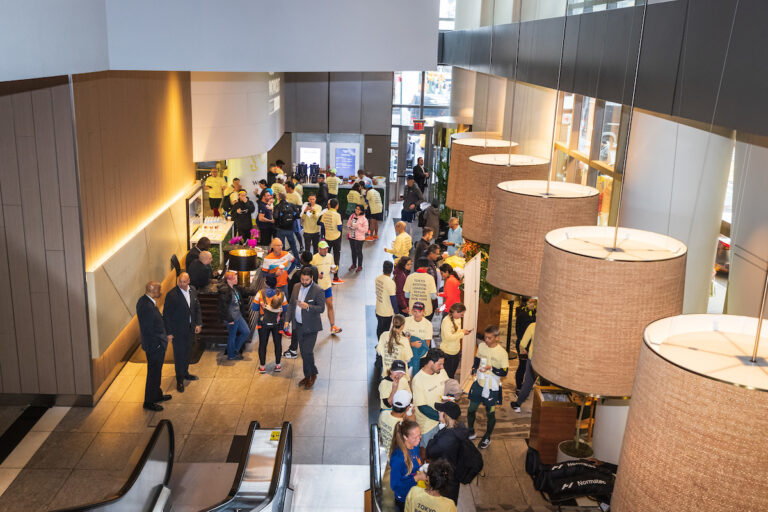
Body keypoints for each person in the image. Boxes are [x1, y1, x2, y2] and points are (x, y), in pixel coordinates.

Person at [467, 325, 509, 449]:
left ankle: (487, 437)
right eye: (485, 337)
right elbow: (477, 358)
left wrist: (492, 368)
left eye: (489, 338)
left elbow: (505, 372)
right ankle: (470, 430)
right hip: (479, 382)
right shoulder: (481, 346)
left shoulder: (502, 353)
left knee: (490, 413)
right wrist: (474, 368)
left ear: (497, 338)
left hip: (492, 387)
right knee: (471, 409)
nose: (486, 340)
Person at [285, 267, 326, 389]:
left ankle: (311, 375)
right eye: (302, 279)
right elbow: (291, 304)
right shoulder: (296, 286)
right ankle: (310, 373)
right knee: (303, 353)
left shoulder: (318, 290)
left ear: (312, 278)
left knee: (307, 352)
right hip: (298, 326)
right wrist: (287, 321)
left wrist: (308, 306)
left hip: (311, 327)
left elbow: (321, 308)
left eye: (306, 280)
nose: (304, 282)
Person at [163, 272, 202, 393]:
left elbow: (197, 308)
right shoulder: (172, 295)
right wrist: (169, 333)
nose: (181, 284)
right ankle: (179, 379)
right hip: (178, 331)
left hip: (190, 329)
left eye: (184, 281)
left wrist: (198, 323)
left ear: (189, 281)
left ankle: (185, 372)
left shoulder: (193, 290)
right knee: (179, 355)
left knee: (188, 352)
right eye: (180, 281)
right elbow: (167, 315)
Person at [137, 281, 172, 411]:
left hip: (156, 344)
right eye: (159, 289)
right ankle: (149, 401)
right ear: (152, 290)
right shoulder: (146, 306)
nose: (161, 291)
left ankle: (157, 395)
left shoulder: (146, 301)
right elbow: (148, 329)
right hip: (154, 347)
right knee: (153, 374)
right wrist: (157, 345)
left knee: (157, 373)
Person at [425, 402, 468, 504]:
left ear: (446, 416)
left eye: (440, 411)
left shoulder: (446, 440)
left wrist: (436, 436)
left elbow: (429, 451)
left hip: (445, 479)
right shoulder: (459, 427)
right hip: (454, 475)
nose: (438, 412)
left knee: (445, 503)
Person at [412, 348, 448, 447]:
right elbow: (422, 407)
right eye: (439, 364)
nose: (442, 367)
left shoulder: (441, 372)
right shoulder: (418, 380)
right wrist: (441, 417)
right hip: (428, 426)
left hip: (443, 420)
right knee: (427, 454)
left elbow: (448, 388)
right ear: (431, 362)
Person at [253, 273, 287, 374]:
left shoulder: (260, 293)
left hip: (263, 324)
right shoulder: (281, 294)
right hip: (277, 324)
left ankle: (262, 367)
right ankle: (278, 365)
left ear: (266, 283)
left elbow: (254, 308)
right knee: (278, 344)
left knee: (263, 344)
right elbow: (285, 308)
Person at [389, 420, 426, 511]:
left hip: (414, 492)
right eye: (415, 437)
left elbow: (415, 462)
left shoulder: (415, 445)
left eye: (420, 435)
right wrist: (416, 478)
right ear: (405, 437)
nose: (419, 439)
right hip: (404, 498)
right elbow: (395, 486)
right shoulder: (398, 458)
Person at [218, 271, 253, 361]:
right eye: (235, 278)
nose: (237, 279)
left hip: (238, 315)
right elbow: (223, 307)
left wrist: (258, 292)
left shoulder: (234, 288)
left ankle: (235, 350)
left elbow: (245, 290)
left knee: (246, 332)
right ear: (229, 280)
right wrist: (229, 319)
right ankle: (231, 355)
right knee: (232, 336)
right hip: (232, 318)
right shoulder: (225, 291)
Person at [310, 241, 342, 334]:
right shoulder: (314, 258)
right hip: (317, 287)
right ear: (319, 249)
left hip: (327, 285)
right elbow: (309, 272)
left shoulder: (330, 256)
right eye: (324, 249)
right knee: (316, 308)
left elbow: (332, 269)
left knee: (330, 305)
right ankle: (311, 326)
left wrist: (333, 270)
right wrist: (316, 276)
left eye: (326, 248)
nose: (326, 250)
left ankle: (332, 327)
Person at [510, 321, 536, 413]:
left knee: (528, 383)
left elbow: (523, 343)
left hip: (533, 359)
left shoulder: (533, 326)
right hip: (546, 360)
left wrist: (523, 350)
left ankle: (518, 404)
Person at [440, 303, 471, 379]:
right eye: (461, 314)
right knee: (446, 376)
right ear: (455, 312)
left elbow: (456, 331)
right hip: (447, 352)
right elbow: (448, 337)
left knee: (452, 375)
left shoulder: (458, 319)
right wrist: (462, 334)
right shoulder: (446, 321)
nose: (462, 316)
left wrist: (463, 331)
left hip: (456, 351)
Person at [379, 387, 412, 456]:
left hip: (386, 452)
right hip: (397, 457)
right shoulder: (403, 425)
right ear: (408, 408)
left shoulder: (383, 414)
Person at [514, 297, 537, 389]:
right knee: (522, 367)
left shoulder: (534, 313)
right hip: (522, 345)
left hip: (532, 345)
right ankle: (519, 387)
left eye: (534, 303)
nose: (533, 304)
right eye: (531, 302)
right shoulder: (522, 314)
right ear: (526, 303)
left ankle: (527, 385)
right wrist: (524, 348)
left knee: (531, 368)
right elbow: (519, 333)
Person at [403, 302, 432, 371]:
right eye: (414, 311)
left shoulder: (428, 324)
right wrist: (412, 344)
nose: (416, 313)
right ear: (412, 311)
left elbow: (427, 343)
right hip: (407, 351)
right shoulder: (406, 321)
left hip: (420, 354)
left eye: (419, 311)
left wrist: (419, 354)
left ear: (423, 312)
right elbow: (402, 339)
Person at [320, 198, 344, 283]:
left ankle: (324, 275)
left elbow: (322, 226)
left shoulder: (325, 213)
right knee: (336, 258)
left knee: (326, 257)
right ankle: (335, 277)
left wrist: (322, 237)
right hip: (336, 238)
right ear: (337, 206)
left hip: (327, 238)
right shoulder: (337, 215)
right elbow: (339, 228)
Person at [374, 260, 398, 337]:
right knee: (385, 331)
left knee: (379, 328)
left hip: (378, 309)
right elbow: (393, 299)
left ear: (383, 269)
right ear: (391, 270)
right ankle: (382, 345)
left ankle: (379, 343)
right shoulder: (390, 282)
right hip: (386, 312)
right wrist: (396, 311)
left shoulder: (378, 278)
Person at [274, 193, 301, 261]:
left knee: (281, 247)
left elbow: (275, 217)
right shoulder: (291, 205)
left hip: (280, 229)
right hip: (290, 229)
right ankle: (297, 263)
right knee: (293, 246)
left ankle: (282, 263)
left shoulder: (277, 206)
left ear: (279, 198)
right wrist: (292, 219)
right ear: (286, 198)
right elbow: (298, 215)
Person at [346, 204, 368, 272]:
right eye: (356, 208)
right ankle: (354, 264)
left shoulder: (364, 219)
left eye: (358, 209)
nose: (357, 210)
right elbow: (348, 224)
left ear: (361, 211)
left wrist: (358, 227)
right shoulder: (352, 216)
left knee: (359, 251)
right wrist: (350, 227)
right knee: (353, 251)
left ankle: (360, 266)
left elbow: (366, 230)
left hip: (359, 238)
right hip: (352, 236)